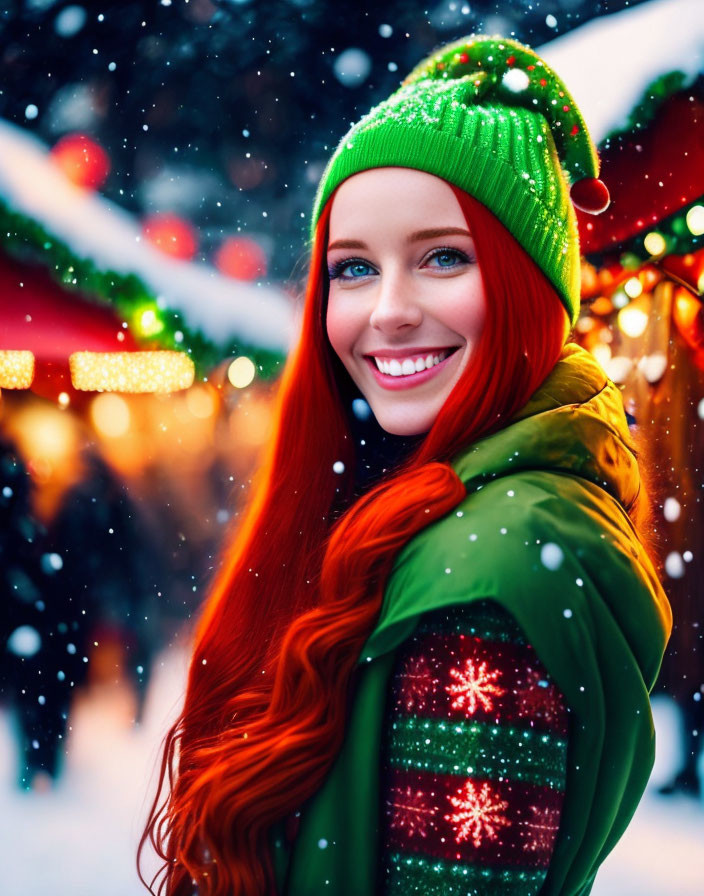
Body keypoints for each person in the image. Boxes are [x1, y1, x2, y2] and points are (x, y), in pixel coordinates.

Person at [138, 35, 672, 896]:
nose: (387, 312)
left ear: (530, 285)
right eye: (354, 268)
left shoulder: (491, 571)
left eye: (443, 257)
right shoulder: (442, 514)